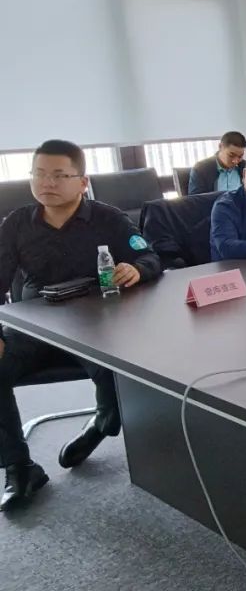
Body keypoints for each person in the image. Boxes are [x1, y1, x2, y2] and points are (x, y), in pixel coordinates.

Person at [0, 140, 163, 511]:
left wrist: (136, 269)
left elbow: (151, 257)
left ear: (83, 182)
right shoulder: (16, 223)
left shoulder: (108, 218)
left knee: (120, 372)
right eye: (39, 174)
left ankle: (102, 423)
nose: (47, 183)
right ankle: (19, 467)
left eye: (59, 175)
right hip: (35, 329)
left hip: (94, 328)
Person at [187, 131, 246, 195]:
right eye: (231, 155)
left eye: (240, 156)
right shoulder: (201, 169)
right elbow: (195, 199)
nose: (235, 161)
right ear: (220, 147)